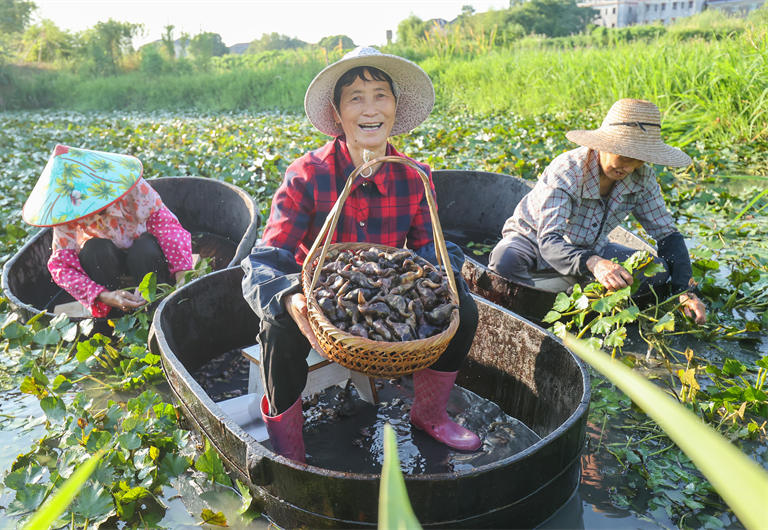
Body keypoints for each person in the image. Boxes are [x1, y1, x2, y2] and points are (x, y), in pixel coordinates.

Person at [242, 47, 482, 463]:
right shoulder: (307, 175)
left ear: (394, 107)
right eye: (355, 97)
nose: (369, 108)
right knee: (278, 324)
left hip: (380, 289)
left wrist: (445, 283)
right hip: (319, 296)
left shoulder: (416, 176)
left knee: (465, 307)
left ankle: (429, 414)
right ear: (337, 113)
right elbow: (267, 258)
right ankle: (289, 445)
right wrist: (290, 298)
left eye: (380, 95)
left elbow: (429, 249)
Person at [488, 98, 706, 324]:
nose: (629, 168)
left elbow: (667, 235)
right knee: (505, 261)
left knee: (658, 270)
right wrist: (594, 263)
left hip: (591, 246)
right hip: (534, 242)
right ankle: (533, 305)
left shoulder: (642, 178)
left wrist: (685, 292)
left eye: (638, 161)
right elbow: (549, 241)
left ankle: (579, 290)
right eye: (624, 158)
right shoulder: (568, 171)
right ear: (604, 145)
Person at [22, 144, 193, 318]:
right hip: (107, 265)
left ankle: (157, 304)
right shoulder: (68, 209)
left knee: (143, 249)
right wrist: (104, 295)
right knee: (94, 250)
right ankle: (114, 312)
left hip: (145, 255)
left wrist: (182, 275)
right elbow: (61, 265)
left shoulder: (133, 188)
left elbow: (168, 228)